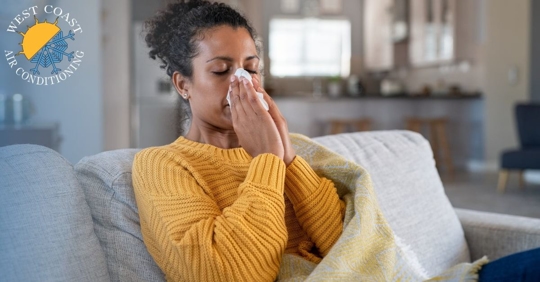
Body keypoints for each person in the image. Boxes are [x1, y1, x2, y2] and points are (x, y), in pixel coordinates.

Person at [132, 1, 540, 281]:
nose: (243, 83)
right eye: (221, 70)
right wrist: (269, 162)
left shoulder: (287, 149)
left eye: (251, 69)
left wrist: (289, 160)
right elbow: (228, 272)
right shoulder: (164, 166)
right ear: (183, 83)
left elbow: (346, 242)